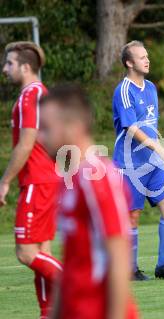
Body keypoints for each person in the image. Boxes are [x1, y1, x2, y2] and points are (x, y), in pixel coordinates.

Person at [40, 84, 138, 319]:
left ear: (73, 127)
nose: (39, 137)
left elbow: (118, 258)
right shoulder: (70, 179)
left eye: (45, 128)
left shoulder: (99, 177)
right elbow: (72, 262)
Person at [0, 41, 62, 318]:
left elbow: (25, 144)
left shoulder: (31, 96)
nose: (4, 69)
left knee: (26, 253)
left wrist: (4, 181)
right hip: (44, 181)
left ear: (25, 67)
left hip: (38, 182)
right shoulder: (39, 94)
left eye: (9, 63)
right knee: (41, 250)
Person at [112, 40, 164, 280]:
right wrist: (160, 149)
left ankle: (162, 266)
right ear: (129, 62)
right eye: (141, 57)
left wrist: (159, 153)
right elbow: (131, 127)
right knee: (132, 216)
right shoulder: (123, 90)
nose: (147, 60)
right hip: (129, 164)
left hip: (153, 162)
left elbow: (150, 125)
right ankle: (130, 269)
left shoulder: (151, 87)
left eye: (147, 56)